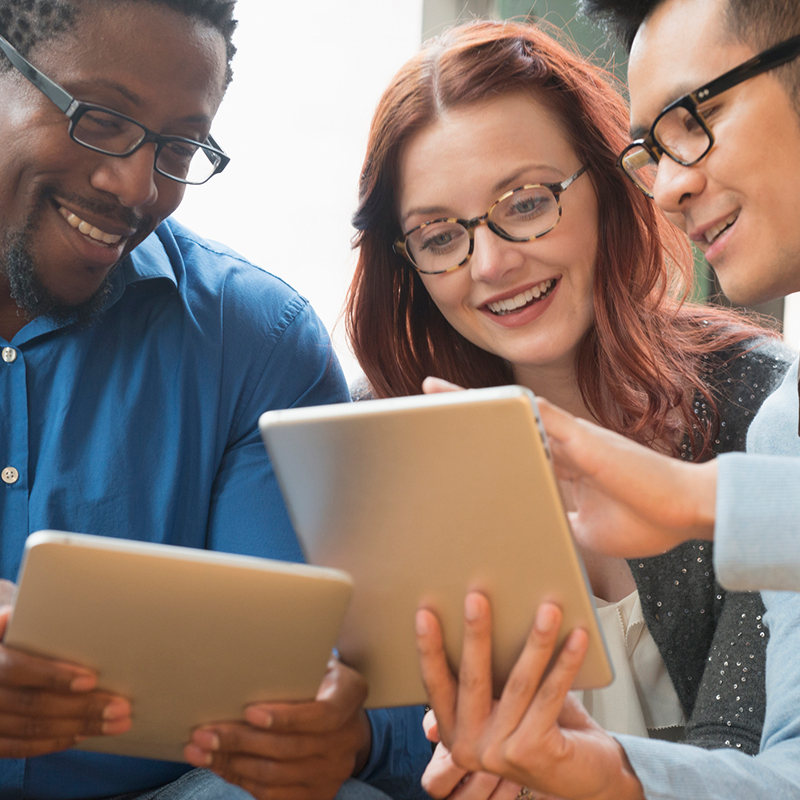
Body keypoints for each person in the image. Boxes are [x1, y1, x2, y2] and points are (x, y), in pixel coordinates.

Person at [344, 17, 792, 799]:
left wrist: (580, 774)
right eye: (439, 236)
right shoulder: (391, 439)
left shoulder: (762, 405)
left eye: (524, 203)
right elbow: (404, 742)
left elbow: (758, 758)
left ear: (612, 184)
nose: (489, 264)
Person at [0, 2, 432, 799]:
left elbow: (301, 684)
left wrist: (333, 727)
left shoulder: (259, 342)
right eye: (101, 118)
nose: (138, 185)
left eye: (179, 147)